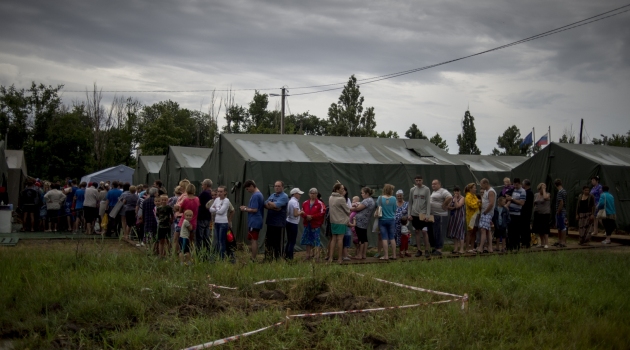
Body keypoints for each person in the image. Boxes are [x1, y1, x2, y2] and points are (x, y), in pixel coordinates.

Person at [264, 181, 289, 261]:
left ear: (283, 187)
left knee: (278, 243)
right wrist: (274, 207)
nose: (277, 187)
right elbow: (265, 204)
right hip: (270, 222)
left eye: (278, 186)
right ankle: (268, 259)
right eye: (275, 186)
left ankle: (278, 259)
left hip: (279, 224)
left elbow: (277, 205)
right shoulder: (272, 195)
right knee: (269, 242)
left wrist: (272, 205)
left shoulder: (284, 196)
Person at [408, 176, 432, 258]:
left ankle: (426, 249)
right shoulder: (412, 190)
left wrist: (428, 215)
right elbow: (410, 202)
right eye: (417, 180)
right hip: (414, 214)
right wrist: (409, 214)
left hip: (423, 213)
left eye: (420, 180)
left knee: (424, 232)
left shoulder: (426, 189)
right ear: (415, 181)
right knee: (417, 232)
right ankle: (419, 250)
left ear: (422, 180)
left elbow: (428, 202)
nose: (418, 182)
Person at [241, 180, 265, 261]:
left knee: (253, 240)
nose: (248, 191)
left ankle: (253, 258)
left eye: (248, 189)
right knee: (252, 239)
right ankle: (253, 257)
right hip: (256, 220)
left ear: (252, 186)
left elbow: (254, 209)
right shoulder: (259, 194)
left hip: (255, 221)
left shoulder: (255, 195)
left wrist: (244, 209)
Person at [300, 187, 326, 261]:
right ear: (309, 194)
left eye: (314, 193)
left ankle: (317, 256)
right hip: (307, 224)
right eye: (311, 193)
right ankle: (307, 255)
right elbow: (302, 212)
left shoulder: (320, 203)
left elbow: (322, 213)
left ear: (317, 194)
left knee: (316, 240)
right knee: (307, 240)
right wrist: (306, 216)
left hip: (315, 224)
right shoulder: (305, 203)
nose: (312, 195)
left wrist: (312, 216)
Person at [350, 187, 375, 260]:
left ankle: (359, 254)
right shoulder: (372, 200)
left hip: (360, 222)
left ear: (367, 193)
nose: (361, 194)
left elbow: (358, 208)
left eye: (362, 193)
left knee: (360, 239)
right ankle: (363, 254)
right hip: (365, 222)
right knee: (364, 238)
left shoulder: (366, 200)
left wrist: (349, 208)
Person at [328, 183, 350, 263]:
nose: (343, 190)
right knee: (340, 239)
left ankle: (330, 257)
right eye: (341, 189)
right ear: (337, 190)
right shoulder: (341, 199)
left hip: (333, 221)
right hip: (340, 221)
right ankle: (340, 258)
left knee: (333, 239)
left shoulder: (331, 197)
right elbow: (348, 210)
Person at [430, 180, 452, 256]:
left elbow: (449, 197)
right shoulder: (434, 192)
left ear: (440, 184)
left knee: (440, 232)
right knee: (435, 232)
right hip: (434, 215)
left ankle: (439, 250)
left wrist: (444, 204)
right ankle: (436, 248)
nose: (433, 185)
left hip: (441, 215)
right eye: (432, 184)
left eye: (435, 184)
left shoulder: (443, 191)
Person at [376, 184, 398, 260]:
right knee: (392, 237)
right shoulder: (394, 199)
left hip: (382, 220)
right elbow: (395, 209)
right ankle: (394, 255)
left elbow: (378, 207)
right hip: (391, 219)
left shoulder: (380, 198)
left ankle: (386, 256)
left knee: (384, 238)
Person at [209, 185, 231, 259]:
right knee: (217, 241)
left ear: (225, 192)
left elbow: (221, 212)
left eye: (221, 191)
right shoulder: (217, 199)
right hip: (216, 222)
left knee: (222, 241)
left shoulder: (226, 200)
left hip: (223, 222)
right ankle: (217, 256)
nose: (219, 193)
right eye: (218, 191)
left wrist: (216, 208)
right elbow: (210, 209)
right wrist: (217, 209)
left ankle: (222, 257)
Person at [505, 178, 526, 251]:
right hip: (510, 213)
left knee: (516, 231)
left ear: (519, 183)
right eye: (514, 184)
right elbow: (507, 197)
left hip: (517, 214)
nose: (515, 186)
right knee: (510, 231)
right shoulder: (513, 190)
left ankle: (516, 246)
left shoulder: (522, 191)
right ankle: (510, 246)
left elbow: (522, 203)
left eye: (517, 185)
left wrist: (512, 199)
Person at [477, 178, 496, 253]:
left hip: (487, 213)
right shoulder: (485, 191)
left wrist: (485, 212)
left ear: (485, 183)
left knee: (483, 230)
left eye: (482, 184)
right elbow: (485, 201)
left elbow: (491, 203)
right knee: (488, 230)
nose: (481, 186)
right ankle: (490, 247)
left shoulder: (491, 191)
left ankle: (481, 247)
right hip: (484, 212)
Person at [285, 188, 304, 260]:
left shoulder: (290, 201)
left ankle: (286, 255)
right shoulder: (295, 202)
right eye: (299, 194)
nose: (300, 195)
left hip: (289, 221)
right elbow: (295, 214)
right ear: (295, 194)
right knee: (292, 241)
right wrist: (301, 212)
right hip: (293, 223)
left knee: (289, 240)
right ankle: (290, 258)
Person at [447, 186, 466, 254]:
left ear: (460, 191)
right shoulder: (452, 198)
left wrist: (455, 200)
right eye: (455, 191)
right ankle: (455, 248)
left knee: (460, 233)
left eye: (457, 191)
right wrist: (453, 207)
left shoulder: (462, 198)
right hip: (453, 218)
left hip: (460, 218)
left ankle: (461, 249)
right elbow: (448, 207)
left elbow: (458, 206)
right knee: (454, 233)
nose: (456, 192)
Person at [532, 183, 551, 248]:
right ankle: (542, 243)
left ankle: (546, 243)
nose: (542, 190)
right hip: (538, 213)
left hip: (545, 214)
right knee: (540, 229)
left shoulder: (547, 194)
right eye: (541, 188)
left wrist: (544, 189)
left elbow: (545, 198)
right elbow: (534, 203)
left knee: (545, 229)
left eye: (544, 188)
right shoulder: (536, 195)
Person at [141, 187, 159, 251]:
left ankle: (148, 248)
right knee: (155, 234)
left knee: (148, 234)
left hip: (147, 219)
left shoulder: (145, 201)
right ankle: (154, 249)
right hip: (155, 220)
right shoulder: (157, 201)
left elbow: (143, 211)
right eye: (157, 192)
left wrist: (143, 219)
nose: (158, 194)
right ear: (155, 193)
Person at [464, 183, 480, 253]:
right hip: (470, 217)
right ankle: (467, 248)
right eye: (474, 188)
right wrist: (477, 202)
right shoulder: (467, 196)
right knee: (469, 232)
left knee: (474, 232)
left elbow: (479, 204)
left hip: (476, 215)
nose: (475, 189)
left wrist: (477, 203)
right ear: (470, 189)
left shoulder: (474, 196)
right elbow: (471, 205)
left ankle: (472, 247)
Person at [394, 190, 409, 257]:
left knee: (404, 237)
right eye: (398, 196)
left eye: (400, 196)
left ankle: (405, 250)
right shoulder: (394, 204)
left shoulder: (406, 204)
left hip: (403, 224)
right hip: (395, 224)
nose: (399, 197)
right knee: (396, 237)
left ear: (403, 196)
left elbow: (409, 213)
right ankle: (397, 252)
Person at [554, 179, 568, 248]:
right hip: (563, 211)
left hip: (561, 212)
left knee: (562, 227)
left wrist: (558, 211)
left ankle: (563, 242)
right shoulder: (564, 191)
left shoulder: (559, 192)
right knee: (560, 227)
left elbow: (561, 202)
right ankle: (560, 241)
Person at [521, 179, 534, 249]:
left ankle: (526, 242)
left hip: (526, 213)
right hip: (524, 212)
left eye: (523, 184)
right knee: (523, 228)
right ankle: (523, 242)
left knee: (526, 228)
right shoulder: (526, 192)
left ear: (525, 184)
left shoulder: (529, 192)